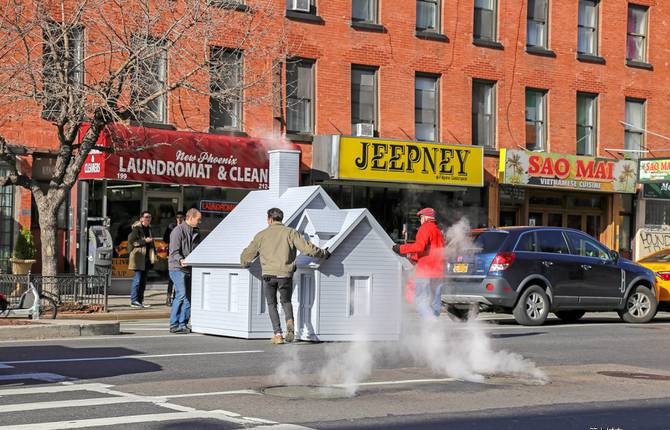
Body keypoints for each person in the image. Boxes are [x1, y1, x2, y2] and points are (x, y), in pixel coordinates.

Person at [240, 207, 331, 345]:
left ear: (269, 219)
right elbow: (307, 248)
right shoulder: (290, 232)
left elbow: (247, 255)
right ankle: (290, 323)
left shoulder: (261, 235)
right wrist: (324, 253)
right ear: (281, 219)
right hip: (285, 275)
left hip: (268, 275)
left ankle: (278, 335)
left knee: (272, 304)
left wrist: (245, 263)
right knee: (286, 301)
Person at [393, 208, 445, 318]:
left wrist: (401, 248)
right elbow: (431, 251)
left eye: (420, 217)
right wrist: (413, 257)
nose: (420, 220)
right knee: (435, 304)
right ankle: (434, 332)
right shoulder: (438, 231)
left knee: (420, 300)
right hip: (438, 272)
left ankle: (432, 324)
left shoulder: (425, 228)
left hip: (425, 272)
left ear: (425, 217)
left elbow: (419, 247)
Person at [168, 208, 202, 334]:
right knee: (181, 295)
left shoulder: (196, 231)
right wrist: (181, 260)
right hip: (177, 268)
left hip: (189, 268)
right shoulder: (178, 231)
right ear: (190, 218)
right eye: (198, 219)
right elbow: (174, 251)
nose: (200, 222)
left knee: (188, 297)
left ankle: (183, 324)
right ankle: (174, 324)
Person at [128, 211, 156, 308]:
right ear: (141, 219)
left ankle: (140, 301)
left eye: (150, 217)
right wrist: (145, 241)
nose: (148, 219)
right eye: (146, 217)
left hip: (147, 258)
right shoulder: (137, 229)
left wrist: (154, 256)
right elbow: (132, 242)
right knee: (137, 279)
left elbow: (152, 244)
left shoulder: (150, 229)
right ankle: (134, 300)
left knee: (143, 281)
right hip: (139, 258)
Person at [163, 211, 184, 305]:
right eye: (178, 217)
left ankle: (177, 297)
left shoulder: (185, 227)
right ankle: (168, 298)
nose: (179, 219)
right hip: (172, 254)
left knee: (180, 278)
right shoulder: (172, 227)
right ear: (176, 218)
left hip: (182, 254)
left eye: (181, 217)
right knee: (171, 278)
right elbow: (165, 239)